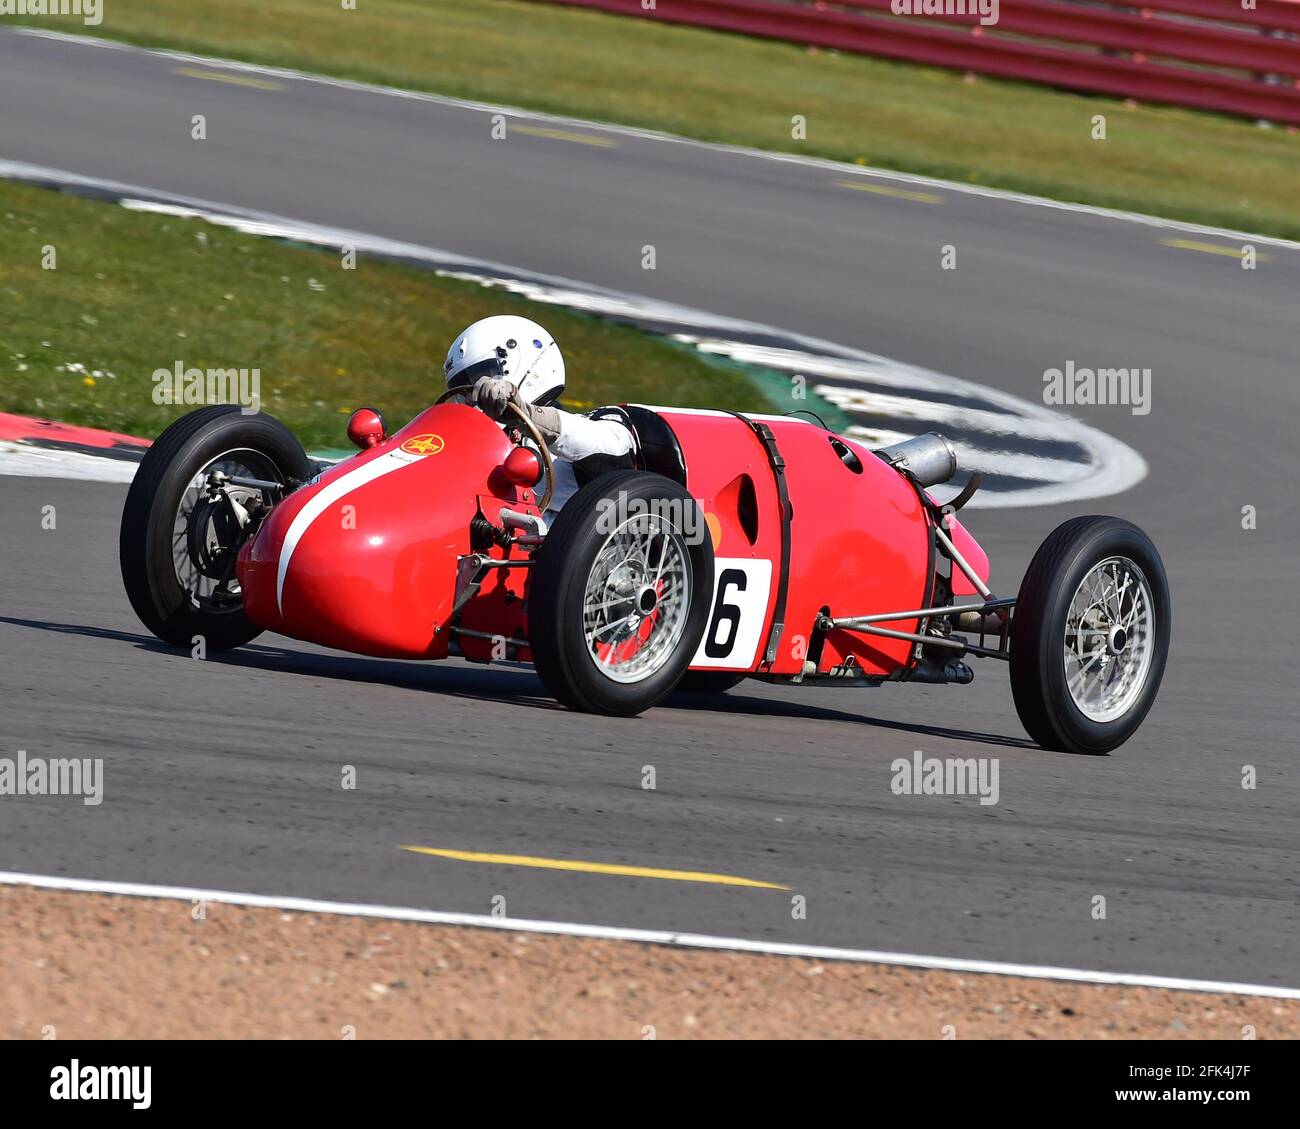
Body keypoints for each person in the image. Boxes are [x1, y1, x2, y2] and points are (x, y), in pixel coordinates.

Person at [443, 315, 636, 512]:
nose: (471, 398)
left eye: (479, 381)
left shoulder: (596, 429)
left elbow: (612, 448)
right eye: (464, 391)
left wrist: (525, 416)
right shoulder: (480, 445)